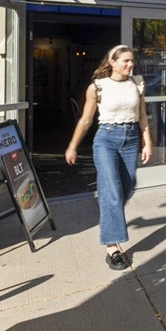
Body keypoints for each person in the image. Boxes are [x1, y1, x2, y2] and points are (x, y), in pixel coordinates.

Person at [65, 44, 152, 272]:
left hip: (130, 139)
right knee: (112, 192)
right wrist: (72, 146)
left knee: (126, 186)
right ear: (112, 62)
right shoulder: (98, 87)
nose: (130, 64)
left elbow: (142, 117)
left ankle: (110, 218)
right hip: (106, 140)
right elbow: (86, 120)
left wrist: (147, 143)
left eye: (132, 60)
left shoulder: (137, 84)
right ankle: (113, 247)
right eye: (125, 61)